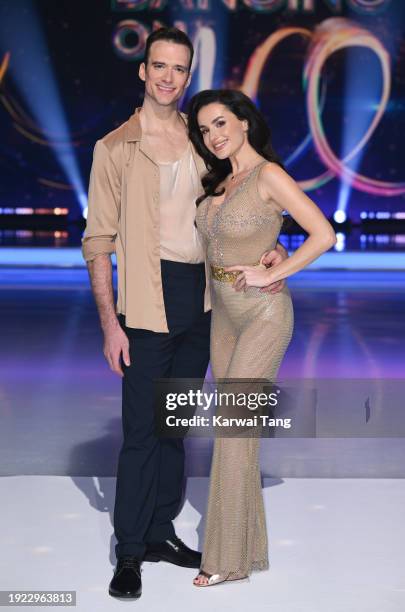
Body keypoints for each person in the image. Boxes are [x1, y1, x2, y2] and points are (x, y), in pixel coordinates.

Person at [82, 29, 288, 600]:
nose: (169, 77)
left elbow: (254, 197)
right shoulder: (115, 148)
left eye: (179, 68)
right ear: (143, 72)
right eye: (159, 66)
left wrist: (279, 251)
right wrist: (108, 323)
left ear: (187, 75)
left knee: (175, 426)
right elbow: (98, 241)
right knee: (141, 432)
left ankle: (159, 532)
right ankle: (129, 553)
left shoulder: (205, 140)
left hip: (202, 302)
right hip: (147, 300)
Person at [187, 88, 337, 587]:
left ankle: (225, 560)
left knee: (232, 430)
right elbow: (235, 239)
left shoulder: (269, 176)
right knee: (237, 433)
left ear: (244, 123)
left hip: (264, 315)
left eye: (221, 124)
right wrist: (270, 248)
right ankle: (248, 548)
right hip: (223, 317)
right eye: (205, 130)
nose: (214, 136)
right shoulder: (221, 183)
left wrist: (277, 270)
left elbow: (323, 234)